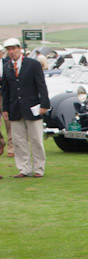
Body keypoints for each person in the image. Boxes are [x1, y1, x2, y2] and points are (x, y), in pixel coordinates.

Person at [1, 38, 49, 178]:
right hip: (15, 109)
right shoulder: (6, 67)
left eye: (13, 49)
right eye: (8, 50)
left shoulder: (33, 64)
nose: (11, 52)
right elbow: (5, 90)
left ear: (19, 49)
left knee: (36, 140)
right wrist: (5, 109)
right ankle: (24, 169)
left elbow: (41, 85)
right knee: (19, 141)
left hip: (33, 107)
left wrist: (45, 104)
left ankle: (39, 168)